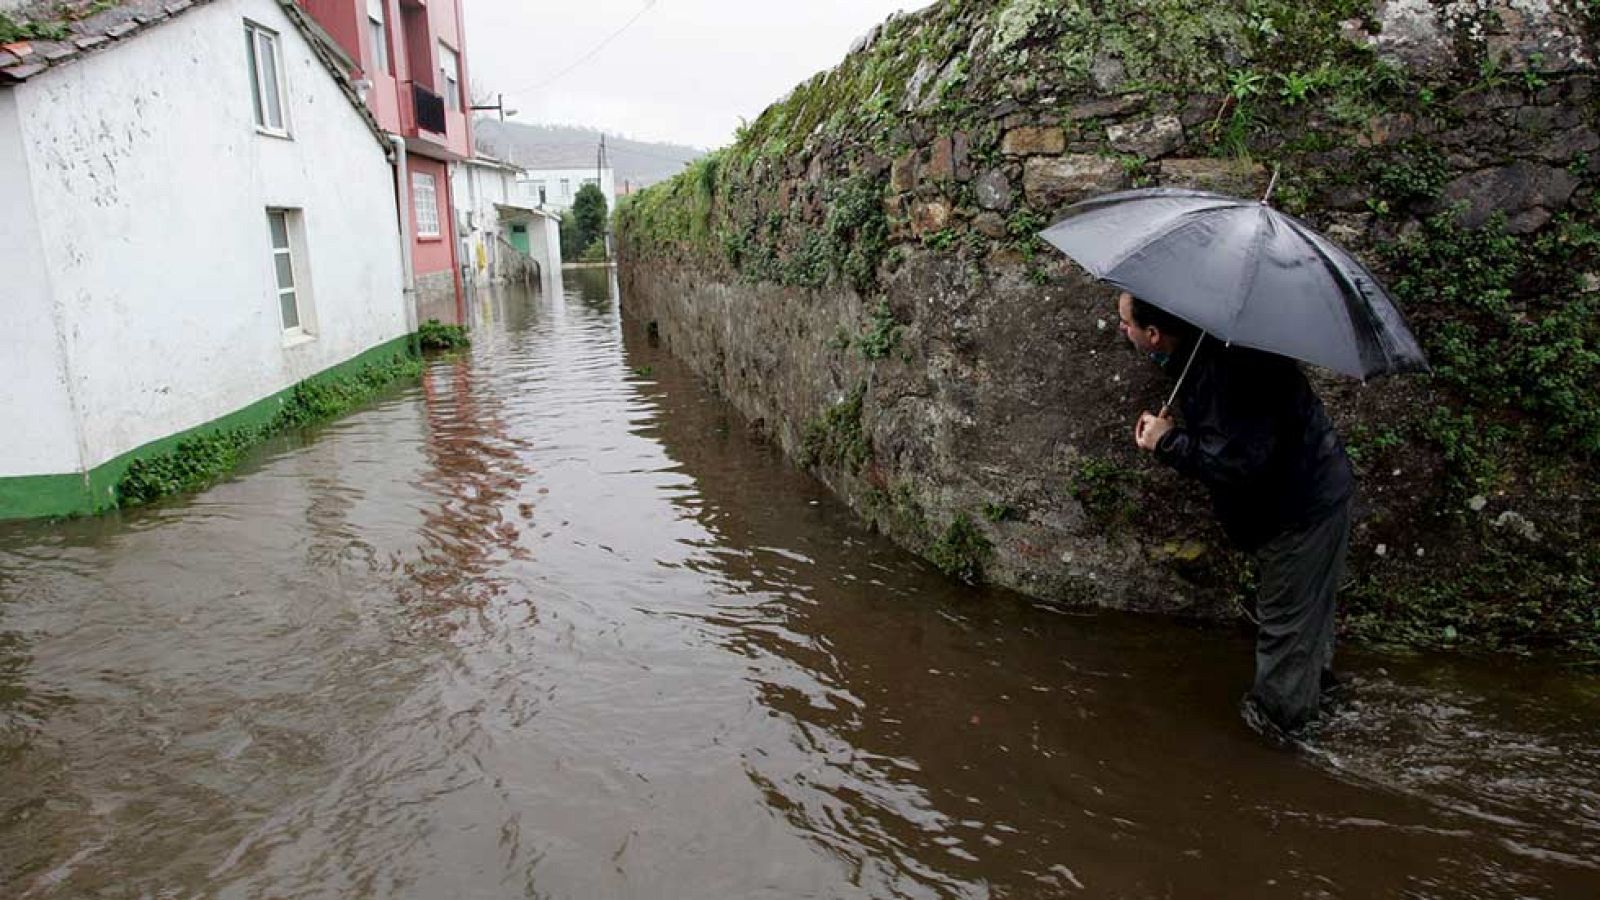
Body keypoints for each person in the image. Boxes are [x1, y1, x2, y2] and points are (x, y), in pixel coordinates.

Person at [1115, 291, 1355, 740]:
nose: (1122, 331)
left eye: (1127, 323)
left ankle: (1282, 738)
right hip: (1311, 491)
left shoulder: (1227, 371)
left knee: (1286, 628)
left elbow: (1238, 463)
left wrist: (1167, 443)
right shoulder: (1205, 345)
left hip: (1299, 512)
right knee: (1305, 620)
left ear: (1154, 333)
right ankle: (1320, 702)